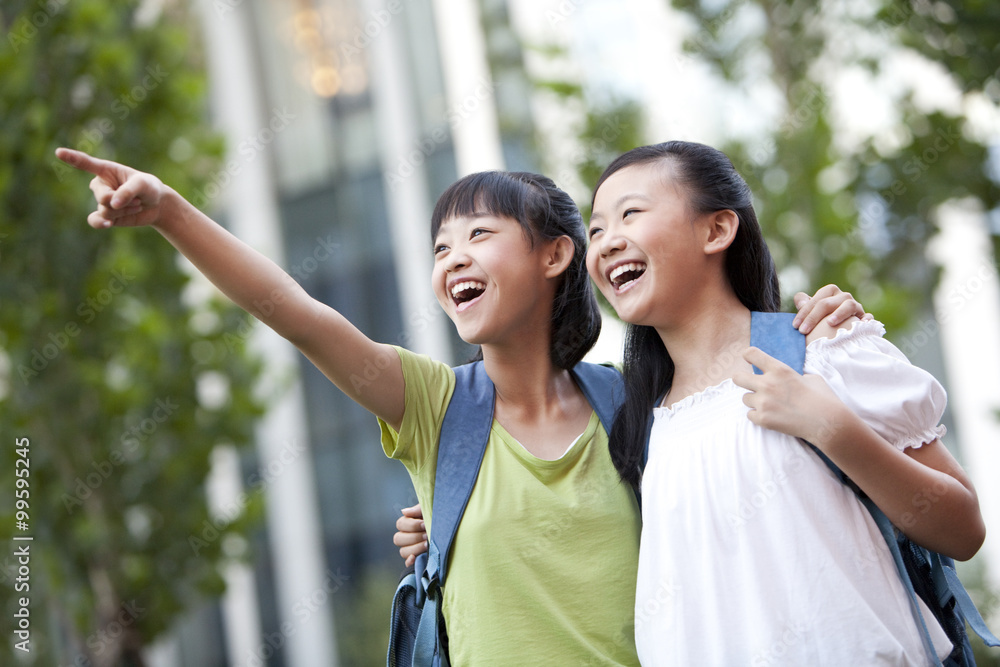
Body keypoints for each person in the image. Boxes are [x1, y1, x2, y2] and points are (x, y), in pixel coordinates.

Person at [56, 146, 862, 665]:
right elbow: (293, 310)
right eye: (441, 247)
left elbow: (749, 484)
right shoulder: (435, 407)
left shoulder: (638, 400)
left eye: (478, 235)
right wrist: (169, 212)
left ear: (555, 254)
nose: (453, 259)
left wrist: (811, 328)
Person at [585, 141, 986, 665]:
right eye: (595, 230)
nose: (607, 242)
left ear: (717, 230)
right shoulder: (641, 422)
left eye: (630, 214)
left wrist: (831, 427)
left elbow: (962, 528)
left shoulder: (820, 348)